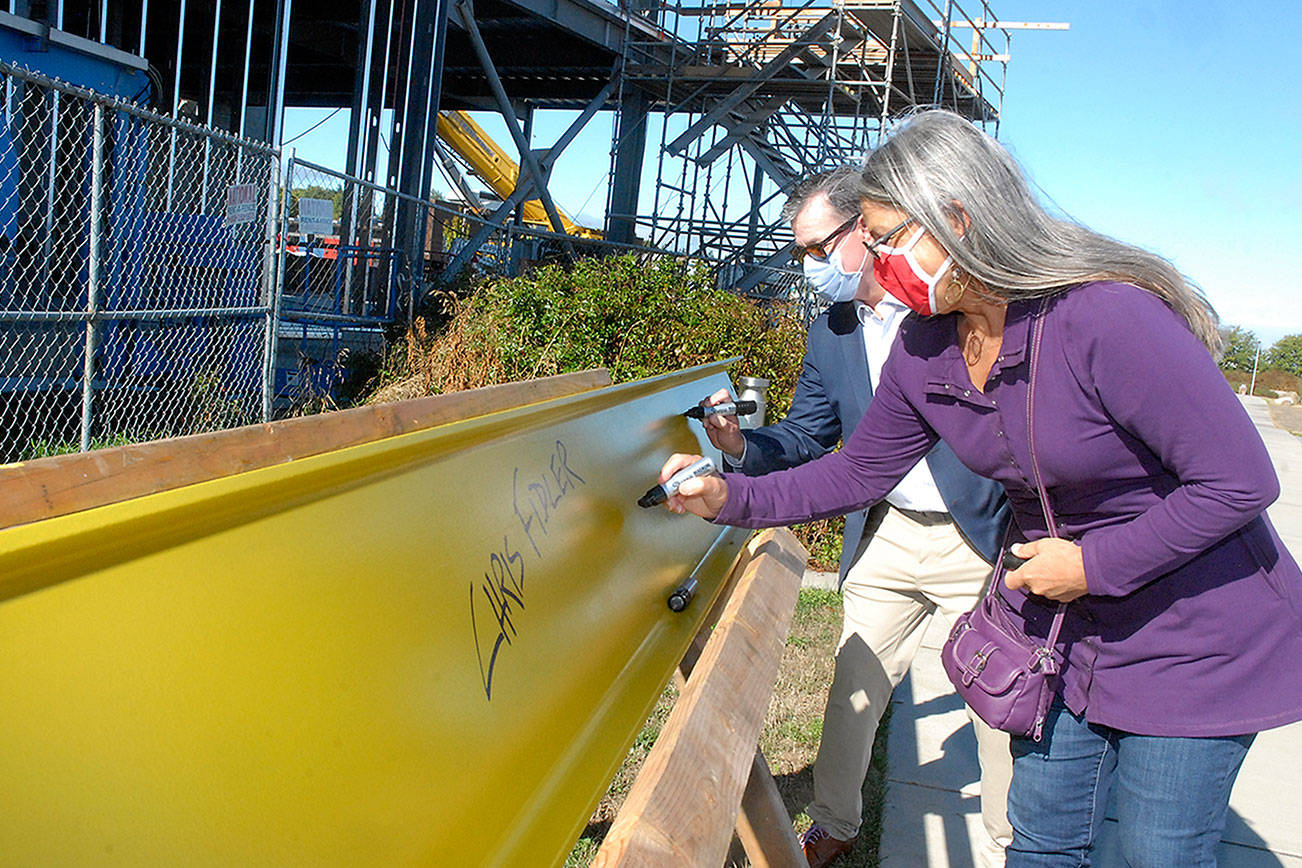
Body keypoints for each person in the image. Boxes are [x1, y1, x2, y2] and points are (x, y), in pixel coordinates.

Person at [661, 110, 1302, 868]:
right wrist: (728, 497)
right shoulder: (924, 345)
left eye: (889, 237)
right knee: (1043, 844)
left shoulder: (1104, 317)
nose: (880, 260)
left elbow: (1237, 481)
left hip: (1192, 639)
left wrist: (1093, 567)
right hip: (1065, 638)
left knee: (1157, 853)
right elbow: (857, 471)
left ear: (956, 218)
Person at [692, 167, 1012, 868]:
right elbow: (809, 435)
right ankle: (834, 823)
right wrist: (744, 447)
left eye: (818, 247)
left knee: (999, 705)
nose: (809, 267)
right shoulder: (833, 331)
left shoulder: (948, 314)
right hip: (888, 533)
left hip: (978, 539)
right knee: (855, 687)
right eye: (799, 252)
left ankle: (1006, 842)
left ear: (865, 230)